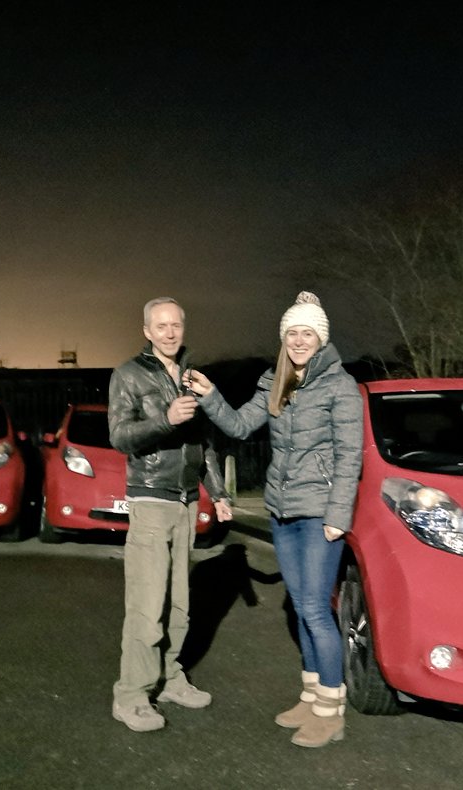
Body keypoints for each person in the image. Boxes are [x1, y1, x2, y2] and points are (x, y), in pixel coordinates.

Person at [185, 291, 362, 748]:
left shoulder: (338, 385)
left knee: (315, 611)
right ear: (284, 339)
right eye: (292, 334)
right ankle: (310, 695)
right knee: (301, 606)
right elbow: (241, 426)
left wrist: (338, 515)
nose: (299, 341)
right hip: (282, 508)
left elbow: (350, 456)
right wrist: (210, 397)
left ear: (321, 339)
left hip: (320, 512)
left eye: (307, 334)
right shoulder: (277, 380)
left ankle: (331, 709)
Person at [108, 296, 233, 733]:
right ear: (147, 330)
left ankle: (170, 678)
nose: (169, 332)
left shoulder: (192, 376)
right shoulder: (127, 374)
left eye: (176, 324)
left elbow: (206, 439)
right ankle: (132, 694)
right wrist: (165, 418)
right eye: (160, 325)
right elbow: (120, 435)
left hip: (185, 502)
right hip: (150, 499)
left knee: (179, 603)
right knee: (146, 604)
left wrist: (216, 491)